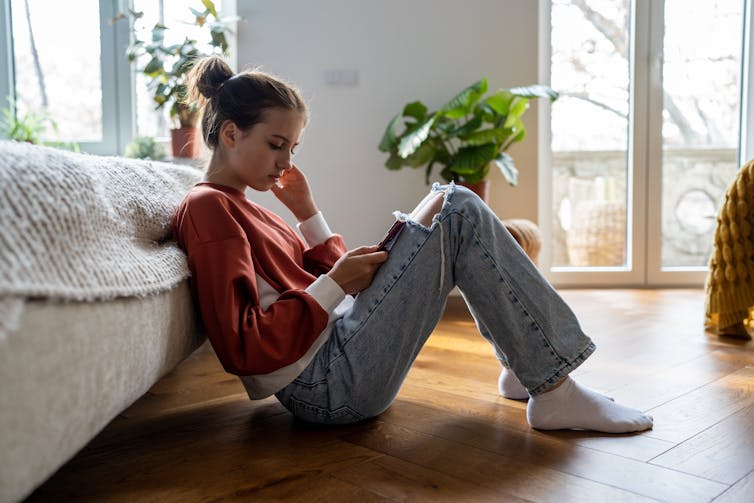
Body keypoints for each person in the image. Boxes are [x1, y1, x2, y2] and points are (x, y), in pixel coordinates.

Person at [173, 56, 653, 433]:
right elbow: (243, 345)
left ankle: (530, 366)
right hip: (325, 385)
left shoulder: (241, 205)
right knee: (459, 206)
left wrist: (307, 214)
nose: (285, 161)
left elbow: (320, 283)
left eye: (293, 149)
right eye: (276, 144)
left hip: (334, 353)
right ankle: (552, 385)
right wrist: (335, 283)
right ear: (232, 134)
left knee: (447, 198)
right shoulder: (210, 208)